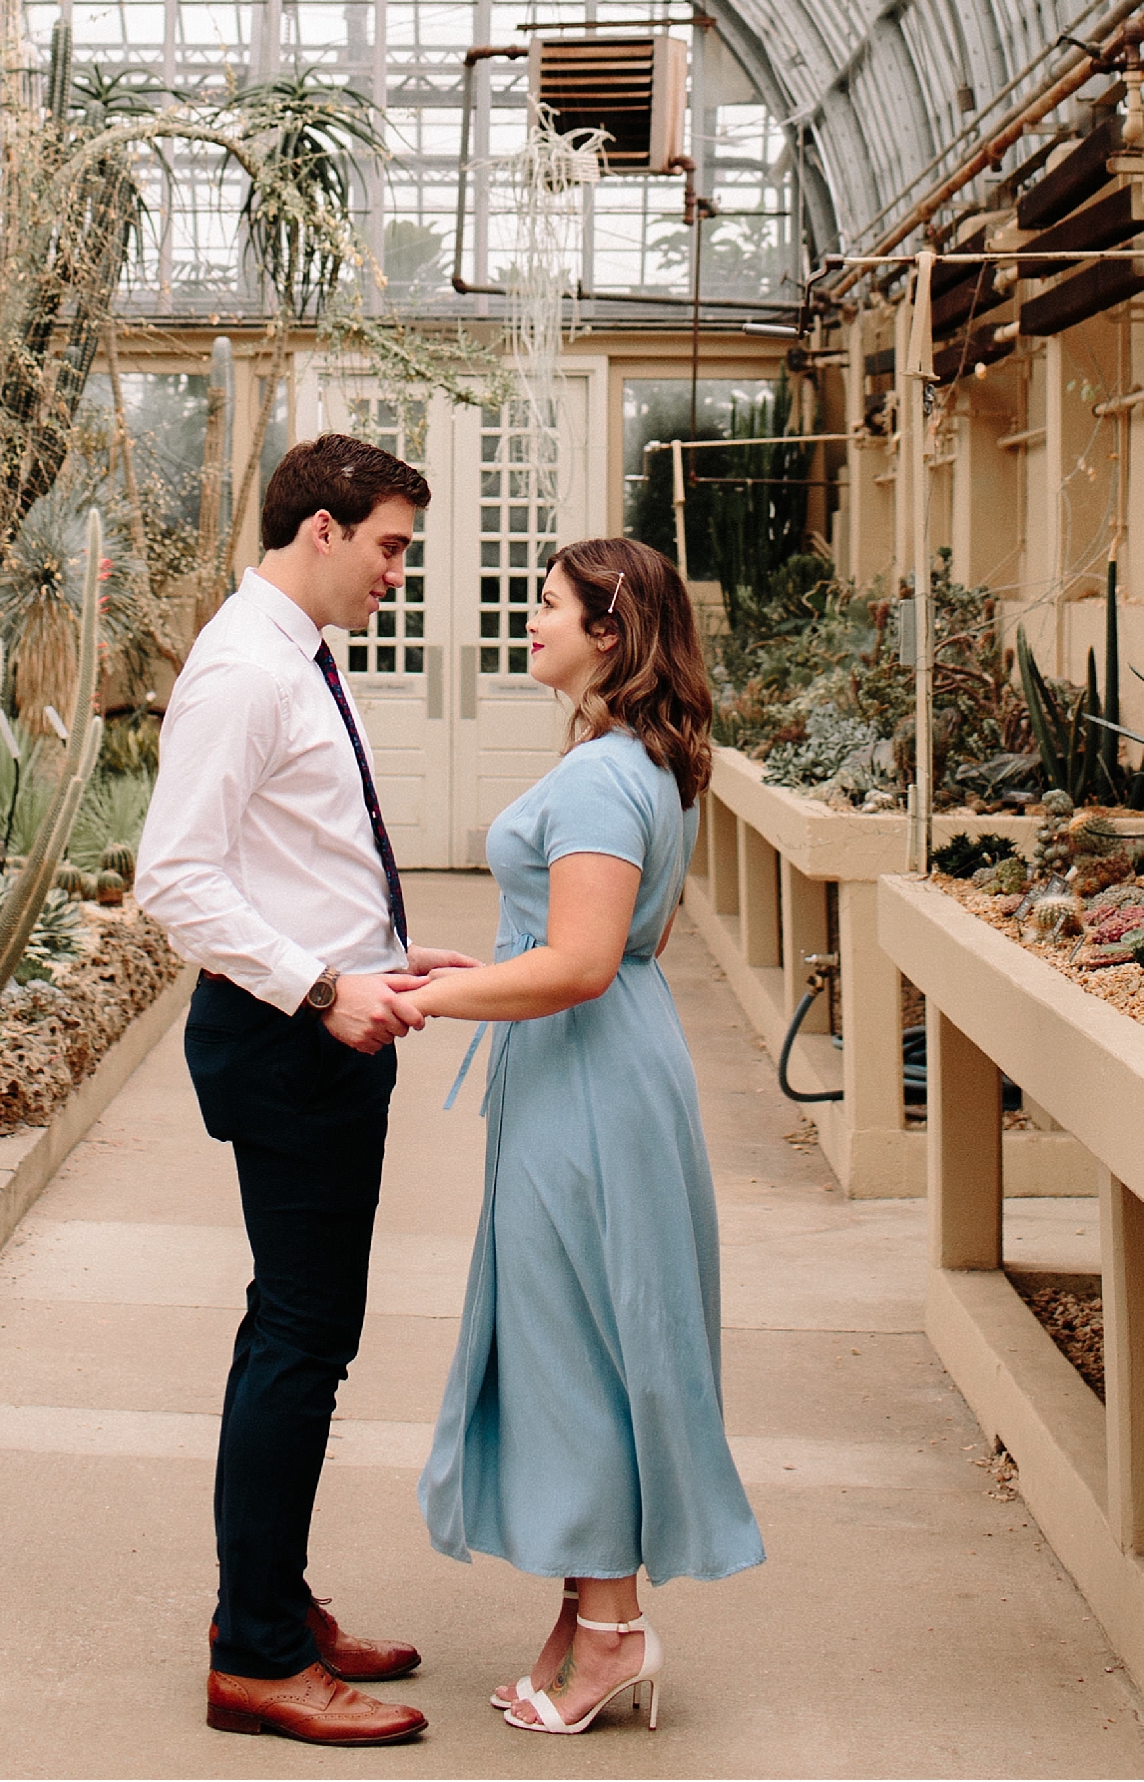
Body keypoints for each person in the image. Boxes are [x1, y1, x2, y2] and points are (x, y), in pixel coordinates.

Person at [138, 431, 474, 1749]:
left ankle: (271, 1600)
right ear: (320, 531)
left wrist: (385, 961)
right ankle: (258, 1654)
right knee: (301, 1335)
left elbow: (293, 855)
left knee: (300, 1332)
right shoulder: (241, 670)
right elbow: (179, 878)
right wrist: (325, 988)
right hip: (288, 1044)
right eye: (391, 545)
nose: (400, 571)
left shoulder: (294, 655)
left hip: (318, 1023)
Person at [405, 534, 763, 1737]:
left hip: (592, 1086)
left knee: (581, 1346)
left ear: (609, 631)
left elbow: (586, 963)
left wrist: (422, 997)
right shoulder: (627, 762)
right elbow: (620, 947)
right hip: (591, 1072)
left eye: (546, 604)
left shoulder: (609, 775)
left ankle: (610, 1634)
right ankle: (585, 1613)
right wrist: (489, 964)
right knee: (576, 1336)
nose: (529, 620)